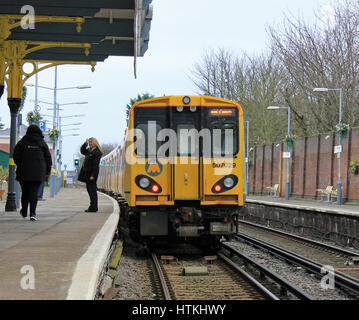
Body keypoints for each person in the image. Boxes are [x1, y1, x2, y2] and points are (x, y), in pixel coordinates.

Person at [13, 124, 52, 221]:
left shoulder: (21, 143)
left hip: (24, 171)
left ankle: (24, 212)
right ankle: (33, 213)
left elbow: (16, 156)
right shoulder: (42, 143)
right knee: (34, 192)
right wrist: (47, 172)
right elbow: (48, 159)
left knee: (25, 191)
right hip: (38, 172)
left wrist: (21, 164)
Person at [78, 137, 103, 212]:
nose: (90, 144)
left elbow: (95, 165)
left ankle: (94, 207)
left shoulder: (97, 152)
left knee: (92, 191)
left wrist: (93, 175)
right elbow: (82, 151)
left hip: (91, 175)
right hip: (87, 174)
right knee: (90, 190)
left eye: (91, 143)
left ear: (95, 143)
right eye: (89, 143)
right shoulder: (89, 151)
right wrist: (85, 143)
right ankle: (92, 206)